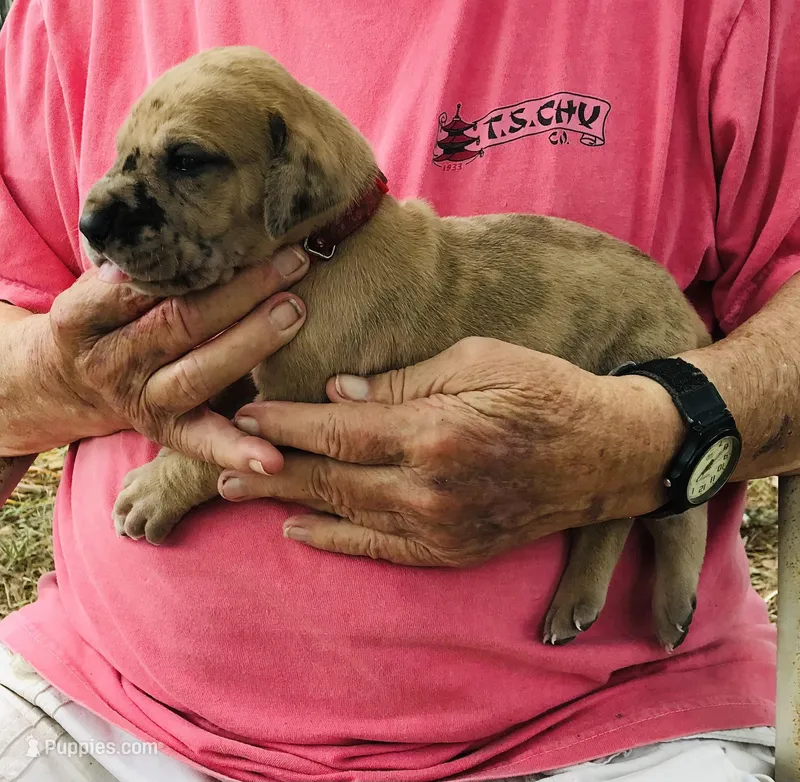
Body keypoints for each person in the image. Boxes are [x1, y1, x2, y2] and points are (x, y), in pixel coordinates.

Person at [0, 0, 798, 779]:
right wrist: (67, 372)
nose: (97, 215)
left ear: (292, 187)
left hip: (604, 734)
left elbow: (307, 403)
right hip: (103, 709)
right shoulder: (75, 10)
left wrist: (648, 444)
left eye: (186, 165)